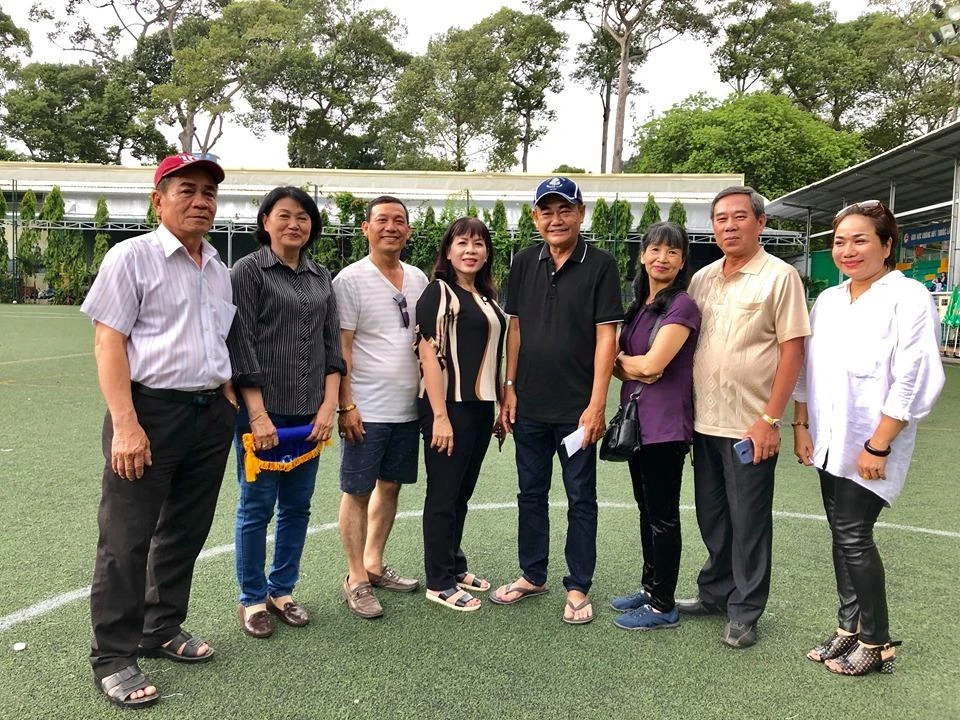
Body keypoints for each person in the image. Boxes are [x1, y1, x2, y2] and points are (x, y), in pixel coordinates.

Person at [81, 153, 237, 709]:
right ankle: (113, 656)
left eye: (208, 193)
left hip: (208, 415)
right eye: (186, 190)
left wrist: (224, 394)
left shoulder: (216, 267)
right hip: (148, 412)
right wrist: (126, 424)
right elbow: (108, 342)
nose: (200, 201)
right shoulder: (132, 257)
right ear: (158, 200)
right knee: (126, 538)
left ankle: (160, 627)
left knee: (185, 530)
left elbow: (214, 338)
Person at [793, 200, 944, 675]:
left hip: (873, 440)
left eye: (860, 240)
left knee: (854, 534)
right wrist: (801, 425)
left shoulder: (908, 296)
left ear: (886, 244)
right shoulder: (830, 301)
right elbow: (808, 368)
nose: (848, 250)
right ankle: (848, 628)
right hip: (829, 436)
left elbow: (913, 373)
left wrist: (879, 443)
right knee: (842, 534)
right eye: (840, 241)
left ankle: (877, 641)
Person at [678, 185, 810, 649]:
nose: (729, 226)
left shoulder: (780, 277)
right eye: (721, 219)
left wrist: (771, 420)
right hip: (703, 422)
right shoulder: (702, 279)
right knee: (712, 516)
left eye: (739, 217)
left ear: (761, 223)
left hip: (750, 426)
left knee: (749, 521)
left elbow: (793, 350)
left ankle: (745, 610)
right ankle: (715, 593)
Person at [492, 176, 623, 625]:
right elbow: (515, 328)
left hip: (576, 409)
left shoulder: (601, 264)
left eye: (565, 209)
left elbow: (607, 336)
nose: (556, 219)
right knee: (531, 493)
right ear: (535, 217)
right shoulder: (523, 262)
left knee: (580, 497)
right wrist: (510, 387)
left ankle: (578, 584)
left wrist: (597, 403)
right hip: (528, 404)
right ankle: (533, 575)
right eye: (546, 211)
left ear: (581, 213)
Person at [228, 186, 344, 638]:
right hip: (262, 413)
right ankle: (252, 598)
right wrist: (257, 414)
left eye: (303, 217)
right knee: (257, 507)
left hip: (310, 414)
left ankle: (283, 591)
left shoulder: (321, 276)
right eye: (284, 215)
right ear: (265, 221)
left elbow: (332, 347)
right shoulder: (249, 271)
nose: (294, 224)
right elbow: (241, 343)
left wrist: (329, 406)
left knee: (297, 507)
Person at [332, 195, 429, 619]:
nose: (391, 227)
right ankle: (355, 578)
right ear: (365, 228)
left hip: (407, 409)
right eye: (382, 220)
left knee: (390, 486)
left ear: (408, 230)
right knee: (357, 491)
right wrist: (346, 405)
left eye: (399, 220)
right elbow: (342, 349)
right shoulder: (350, 280)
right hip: (366, 408)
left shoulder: (418, 278)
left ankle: (373, 563)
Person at [608, 222, 701, 631]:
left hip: (666, 427)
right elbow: (628, 365)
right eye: (656, 250)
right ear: (643, 255)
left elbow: (653, 365)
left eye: (673, 252)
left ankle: (664, 603)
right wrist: (633, 367)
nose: (662, 258)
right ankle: (650, 589)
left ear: (682, 262)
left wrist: (628, 365)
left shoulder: (682, 305)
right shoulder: (639, 306)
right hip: (637, 423)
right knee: (647, 510)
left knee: (662, 516)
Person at [416, 217, 507, 612]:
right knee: (443, 493)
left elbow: (493, 357)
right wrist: (439, 416)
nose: (471, 250)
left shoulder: (486, 297)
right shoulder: (439, 291)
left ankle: (453, 564)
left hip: (480, 407)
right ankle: (438, 581)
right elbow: (428, 354)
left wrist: (499, 405)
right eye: (462, 243)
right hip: (447, 406)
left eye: (479, 243)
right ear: (448, 251)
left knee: (461, 492)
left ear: (487, 253)